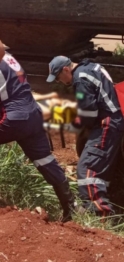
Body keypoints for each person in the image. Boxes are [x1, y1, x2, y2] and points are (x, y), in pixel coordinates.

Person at [0, 40, 75, 222]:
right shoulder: (8, 58)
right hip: (32, 116)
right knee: (45, 161)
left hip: (14, 117)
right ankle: (72, 209)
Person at [47, 55, 124, 217]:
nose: (60, 81)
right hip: (112, 119)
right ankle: (104, 202)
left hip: (106, 124)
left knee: (87, 169)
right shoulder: (90, 66)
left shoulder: (80, 80)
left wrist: (73, 120)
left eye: (58, 77)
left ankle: (99, 213)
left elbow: (89, 113)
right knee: (98, 166)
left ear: (66, 69)